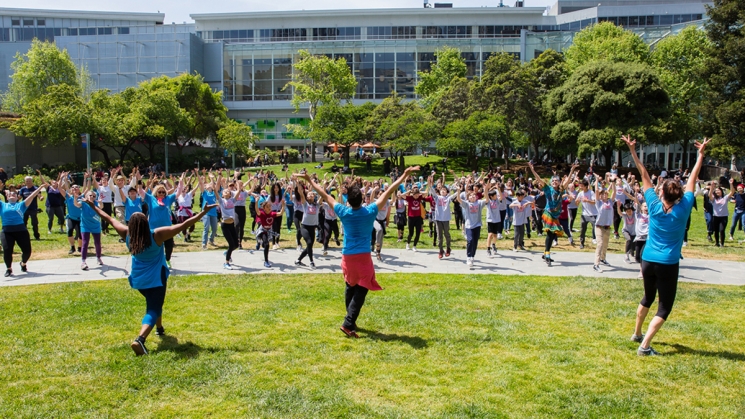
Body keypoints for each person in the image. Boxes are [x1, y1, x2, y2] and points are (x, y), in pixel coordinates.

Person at [85, 195, 216, 355]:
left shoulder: (127, 234)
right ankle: (140, 339)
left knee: (154, 303)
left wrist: (92, 206)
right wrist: (203, 212)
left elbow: (107, 217)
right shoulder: (157, 235)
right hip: (156, 279)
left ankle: (159, 328)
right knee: (152, 309)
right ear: (146, 222)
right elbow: (184, 225)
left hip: (139, 280)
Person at [297, 166, 418, 338]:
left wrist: (309, 181)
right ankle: (348, 322)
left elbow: (325, 195)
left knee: (350, 285)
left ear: (349, 200)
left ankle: (350, 322)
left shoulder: (343, 211)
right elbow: (389, 190)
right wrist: (404, 176)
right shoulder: (369, 211)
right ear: (362, 199)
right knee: (363, 286)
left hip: (347, 256)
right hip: (362, 257)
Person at [623, 134, 708, 356]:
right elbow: (692, 179)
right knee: (664, 307)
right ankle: (644, 346)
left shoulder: (652, 204)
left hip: (648, 259)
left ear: (662, 193)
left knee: (647, 298)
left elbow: (643, 174)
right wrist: (699, 156)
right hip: (668, 263)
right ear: (679, 195)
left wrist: (633, 151)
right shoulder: (684, 207)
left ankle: (637, 333)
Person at [527, 162, 579, 265]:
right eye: (553, 180)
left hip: (556, 215)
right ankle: (547, 254)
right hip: (548, 213)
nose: (555, 182)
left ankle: (545, 253)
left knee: (552, 235)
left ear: (559, 182)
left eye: (557, 180)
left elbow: (568, 180)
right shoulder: (547, 188)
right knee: (550, 234)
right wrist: (532, 170)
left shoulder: (561, 190)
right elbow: (538, 179)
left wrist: (572, 170)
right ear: (551, 182)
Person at [0, 179, 47, 277]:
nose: (12, 195)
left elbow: (32, 195)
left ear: (17, 197)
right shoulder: (2, 205)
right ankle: (9, 269)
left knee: (27, 251)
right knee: (7, 250)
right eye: (10, 194)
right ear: (7, 197)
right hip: (7, 231)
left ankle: (23, 263)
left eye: (14, 194)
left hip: (21, 231)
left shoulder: (21, 205)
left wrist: (40, 187)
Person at [293, 179, 320, 269]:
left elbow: (323, 195)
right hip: (304, 227)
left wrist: (320, 187)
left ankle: (298, 260)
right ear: (307, 197)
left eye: (312, 194)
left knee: (309, 246)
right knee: (309, 242)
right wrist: (296, 182)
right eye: (309, 194)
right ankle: (311, 262)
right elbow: (300, 192)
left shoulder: (317, 205)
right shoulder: (305, 204)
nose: (311, 195)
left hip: (312, 228)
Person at [253, 193, 284, 268]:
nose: (269, 208)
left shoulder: (272, 213)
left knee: (264, 245)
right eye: (267, 207)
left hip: (269, 230)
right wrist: (256, 202)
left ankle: (260, 242)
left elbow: (280, 213)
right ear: (264, 208)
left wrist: (283, 205)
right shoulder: (262, 214)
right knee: (267, 245)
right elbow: (257, 211)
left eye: (270, 206)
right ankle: (266, 261)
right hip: (263, 230)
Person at [593, 174, 616, 272]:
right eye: (603, 194)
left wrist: (613, 182)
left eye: (606, 194)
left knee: (605, 245)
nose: (604, 195)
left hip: (607, 227)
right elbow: (597, 191)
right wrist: (597, 180)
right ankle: (596, 264)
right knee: (600, 244)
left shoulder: (610, 202)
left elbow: (614, 191)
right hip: (599, 226)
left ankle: (603, 258)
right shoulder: (599, 202)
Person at [76, 190, 104, 270]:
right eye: (90, 195)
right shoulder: (83, 203)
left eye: (94, 196)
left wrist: (101, 202)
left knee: (97, 243)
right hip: (85, 226)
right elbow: (77, 204)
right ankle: (83, 262)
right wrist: (75, 198)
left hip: (96, 226)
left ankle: (98, 258)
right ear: (86, 196)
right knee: (85, 243)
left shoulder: (96, 204)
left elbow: (101, 207)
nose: (92, 197)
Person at [19, 175, 44, 240]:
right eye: (27, 181)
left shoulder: (35, 188)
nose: (28, 182)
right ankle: (23, 236)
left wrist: (41, 198)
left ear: (32, 181)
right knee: (23, 223)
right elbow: (19, 197)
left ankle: (37, 236)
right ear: (25, 182)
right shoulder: (23, 189)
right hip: (24, 209)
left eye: (29, 181)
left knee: (34, 223)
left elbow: (39, 195)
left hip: (33, 208)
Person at [576, 179, 598, 249]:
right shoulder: (580, 193)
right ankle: (582, 243)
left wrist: (587, 200)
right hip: (584, 214)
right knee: (583, 230)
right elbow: (576, 204)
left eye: (582, 186)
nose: (581, 187)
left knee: (596, 228)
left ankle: (596, 240)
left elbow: (594, 202)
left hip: (593, 214)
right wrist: (577, 201)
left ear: (586, 186)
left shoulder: (591, 193)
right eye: (580, 186)